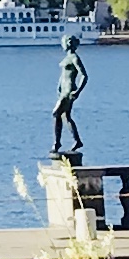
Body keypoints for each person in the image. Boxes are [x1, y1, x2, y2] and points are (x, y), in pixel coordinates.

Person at [51, 28, 88, 165]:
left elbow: (84, 75)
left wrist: (78, 91)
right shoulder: (67, 58)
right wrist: (59, 87)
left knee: (56, 113)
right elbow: (63, 76)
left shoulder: (74, 58)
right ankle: (76, 140)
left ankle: (57, 143)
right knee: (66, 116)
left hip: (69, 91)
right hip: (63, 91)